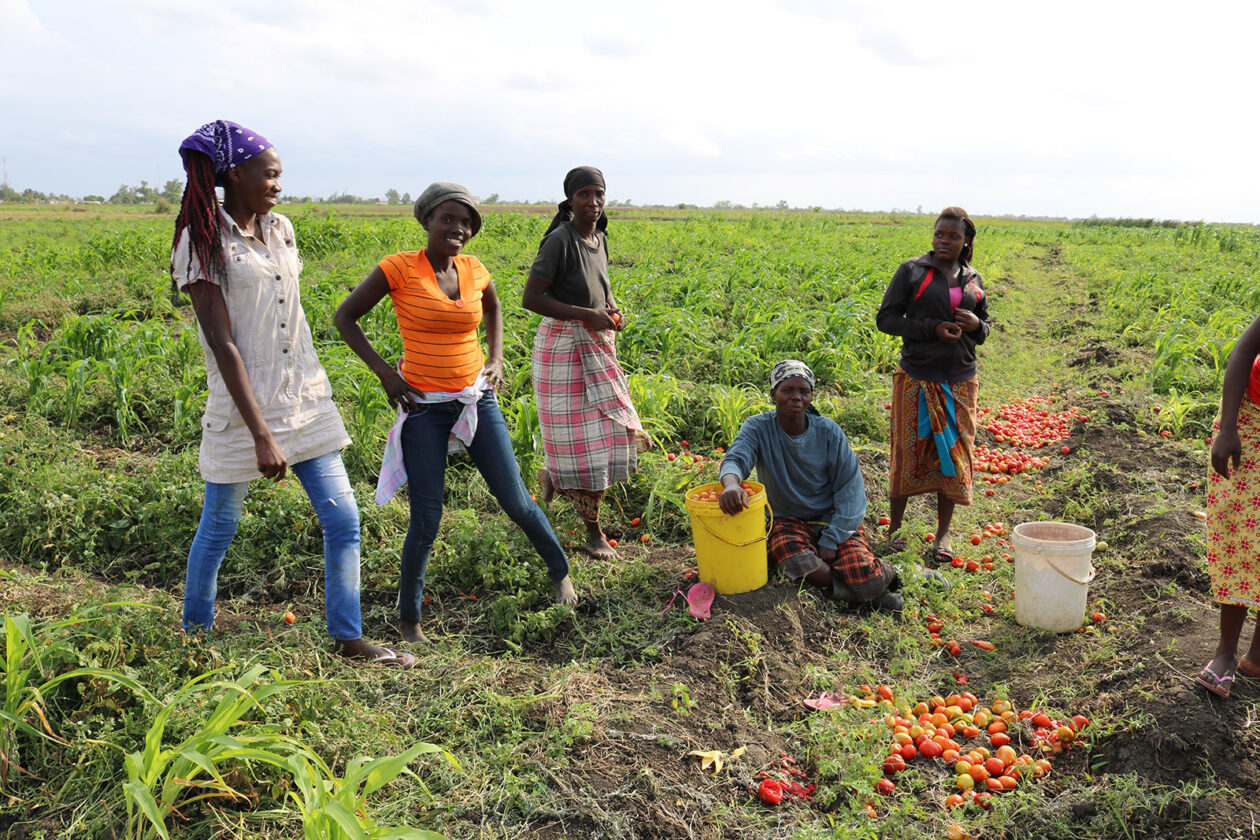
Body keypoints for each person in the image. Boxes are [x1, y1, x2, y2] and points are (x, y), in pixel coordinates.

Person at [170, 120, 412, 667]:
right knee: (220, 525)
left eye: (279, 176)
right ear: (236, 174)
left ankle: (348, 638)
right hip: (242, 407)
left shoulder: (282, 229)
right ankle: (194, 636)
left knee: (343, 519)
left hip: (303, 394)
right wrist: (260, 434)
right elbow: (223, 342)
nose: (278, 184)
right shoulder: (204, 239)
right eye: (270, 174)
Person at [335, 182, 577, 644]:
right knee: (427, 516)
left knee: (517, 501)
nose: (458, 229)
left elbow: (494, 306)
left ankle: (560, 572)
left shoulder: (473, 268)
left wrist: (497, 357)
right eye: (447, 218)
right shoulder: (398, 269)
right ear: (426, 220)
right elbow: (346, 318)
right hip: (423, 408)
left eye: (466, 222)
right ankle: (409, 622)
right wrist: (387, 374)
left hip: (476, 399)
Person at [523, 166, 648, 559]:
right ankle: (593, 535)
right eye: (585, 195)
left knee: (593, 436)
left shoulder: (599, 237)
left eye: (600, 194)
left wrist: (610, 310)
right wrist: (583, 314)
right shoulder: (560, 240)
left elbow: (601, 288)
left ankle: (551, 478)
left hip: (594, 340)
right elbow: (531, 298)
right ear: (570, 199)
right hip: (563, 347)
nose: (593, 203)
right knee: (584, 443)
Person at [717, 360, 903, 611]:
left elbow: (851, 490)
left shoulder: (828, 432)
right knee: (797, 562)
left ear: (811, 396)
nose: (796, 397)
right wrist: (731, 485)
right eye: (787, 390)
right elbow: (736, 458)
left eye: (804, 391)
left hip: (831, 518)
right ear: (773, 394)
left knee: (862, 571)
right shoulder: (758, 427)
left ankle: (893, 574)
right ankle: (864, 592)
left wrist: (832, 538)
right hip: (787, 519)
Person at [876, 207, 990, 564]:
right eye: (939, 234)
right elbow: (887, 319)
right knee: (906, 453)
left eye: (952, 236)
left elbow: (986, 326)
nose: (944, 241)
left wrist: (975, 325)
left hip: (960, 380)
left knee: (953, 459)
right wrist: (931, 329)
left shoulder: (973, 278)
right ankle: (895, 531)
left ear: (965, 241)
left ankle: (943, 536)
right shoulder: (913, 271)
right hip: (917, 376)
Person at [1201, 314, 1260, 697]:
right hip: (1252, 419)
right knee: (1239, 531)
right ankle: (1226, 653)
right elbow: (1243, 351)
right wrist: (1228, 428)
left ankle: (1257, 655)